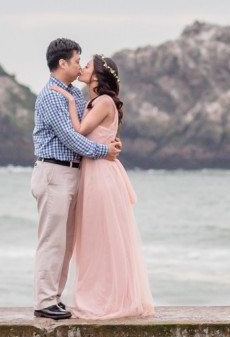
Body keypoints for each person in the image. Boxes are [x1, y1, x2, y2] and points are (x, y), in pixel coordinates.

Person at [50, 54, 154, 320]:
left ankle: (107, 301)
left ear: (96, 76)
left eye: (87, 66)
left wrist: (68, 99)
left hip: (101, 176)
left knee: (101, 239)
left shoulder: (104, 101)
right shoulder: (95, 102)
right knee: (94, 239)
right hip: (95, 172)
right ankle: (102, 296)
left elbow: (79, 130)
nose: (82, 68)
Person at [32, 38, 121, 321]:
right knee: (52, 240)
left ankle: (54, 298)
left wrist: (108, 140)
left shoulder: (73, 93)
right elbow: (71, 137)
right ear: (63, 63)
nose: (80, 65)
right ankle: (44, 300)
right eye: (76, 60)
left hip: (72, 172)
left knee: (66, 242)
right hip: (54, 172)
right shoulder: (51, 96)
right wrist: (104, 151)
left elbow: (88, 126)